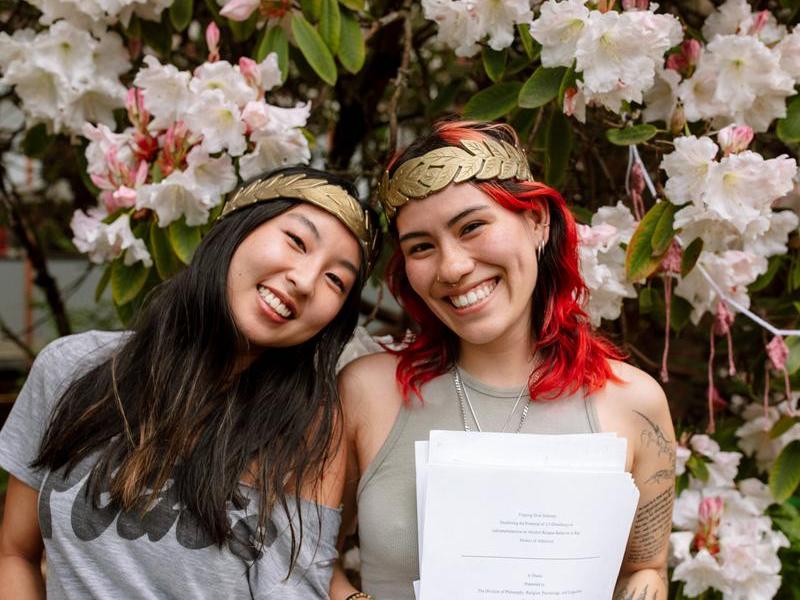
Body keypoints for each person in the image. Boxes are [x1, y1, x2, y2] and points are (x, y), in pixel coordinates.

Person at [330, 121, 675, 600]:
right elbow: (306, 557)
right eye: (421, 247)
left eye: (472, 227)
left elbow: (645, 568)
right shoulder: (367, 392)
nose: (452, 267)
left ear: (537, 220)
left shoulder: (634, 404)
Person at [0, 166, 380, 599]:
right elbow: (15, 553)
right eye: (296, 241)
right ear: (234, 231)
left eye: (336, 280)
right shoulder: (69, 368)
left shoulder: (306, 430)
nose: (305, 281)